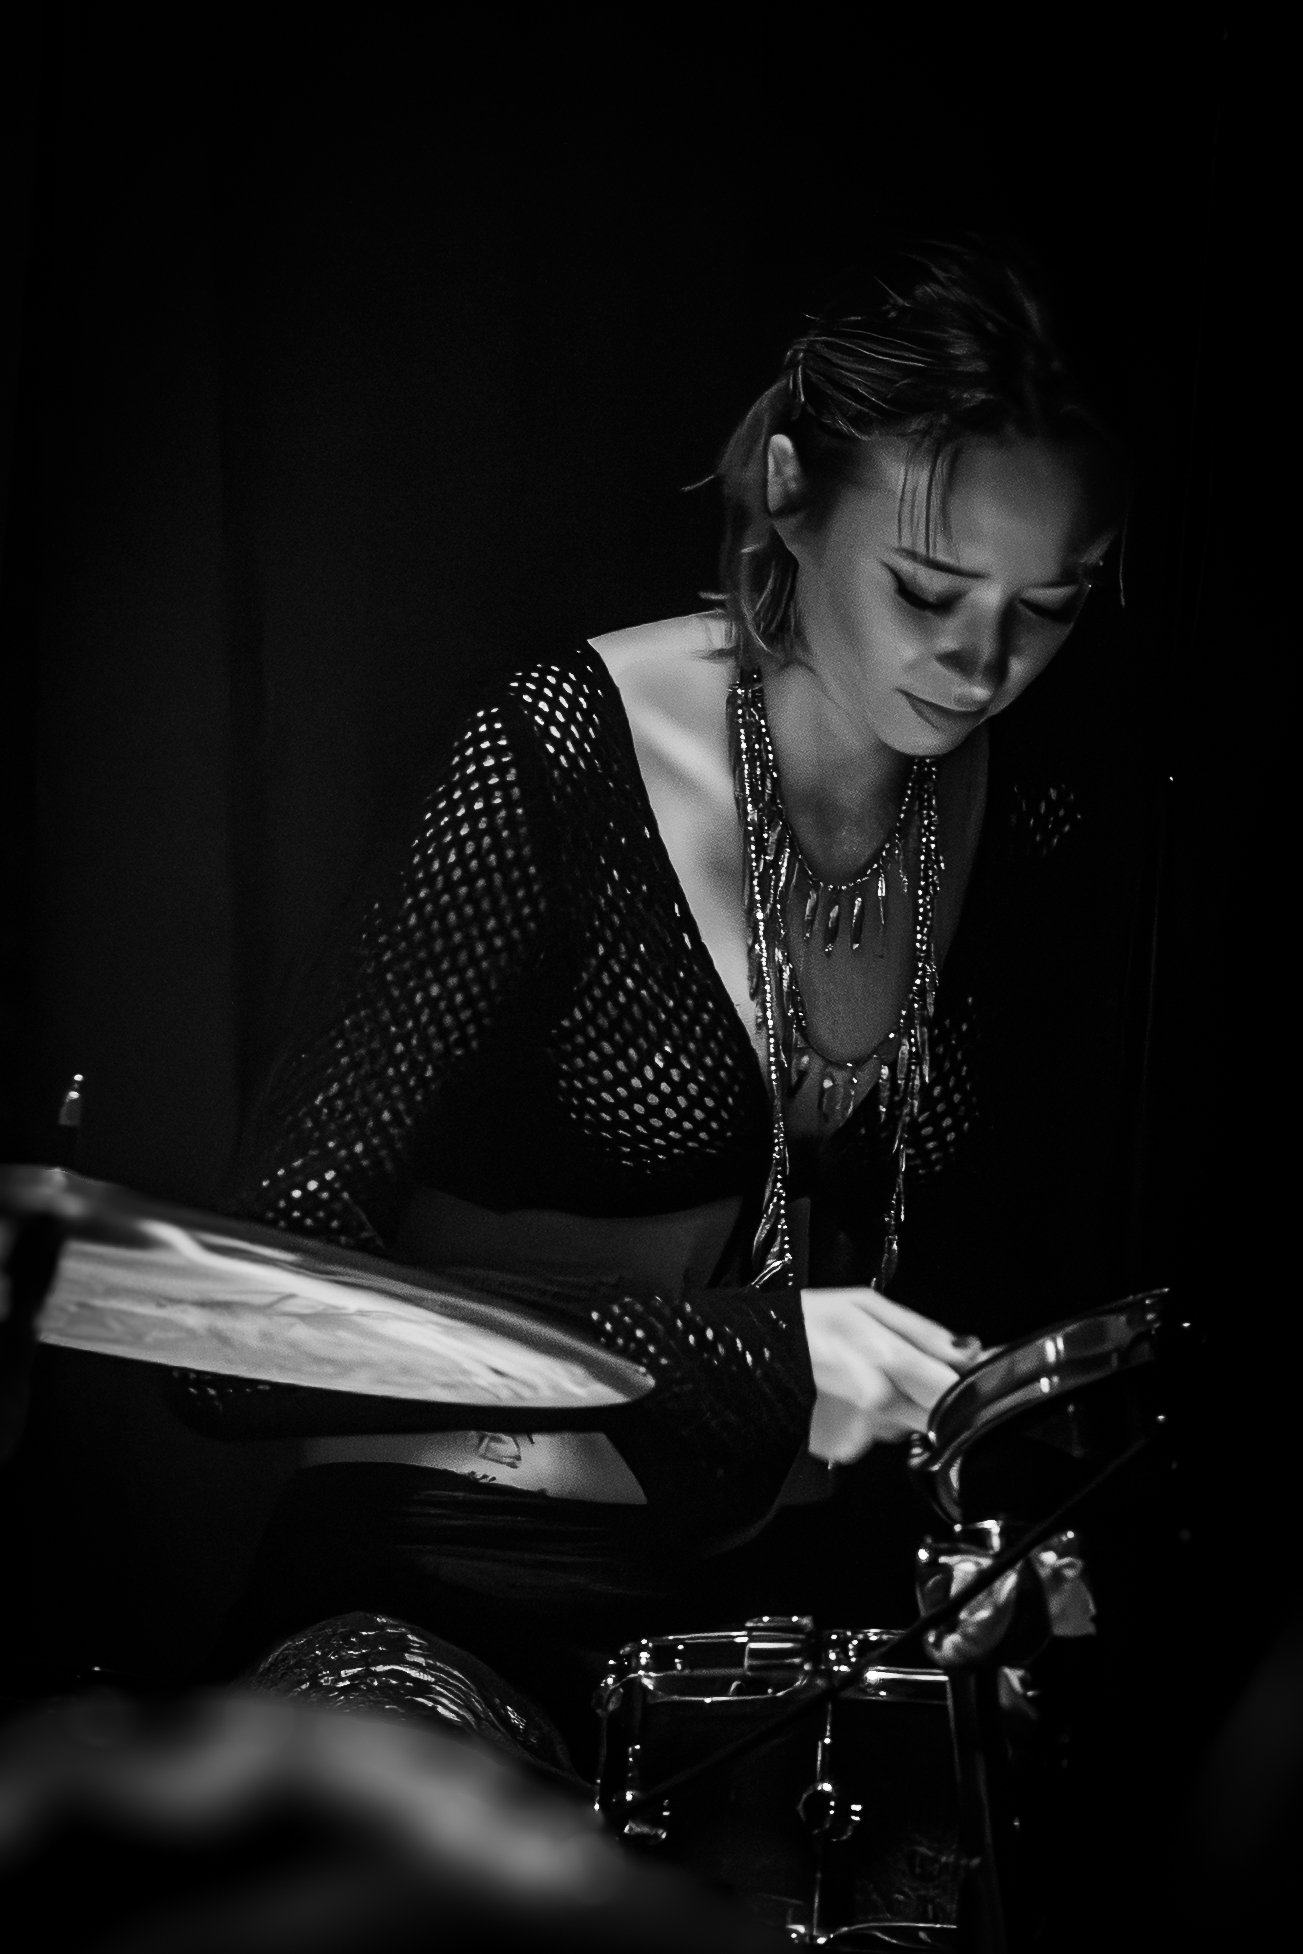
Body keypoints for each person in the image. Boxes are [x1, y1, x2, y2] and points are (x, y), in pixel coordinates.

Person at [174, 231, 1135, 1775]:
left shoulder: (1032, 825)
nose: (984, 664)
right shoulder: (561, 759)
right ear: (786, 492)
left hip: (784, 1628)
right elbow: (234, 1333)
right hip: (453, 1587)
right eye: (927, 587)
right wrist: (751, 1357)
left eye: (1054, 604)